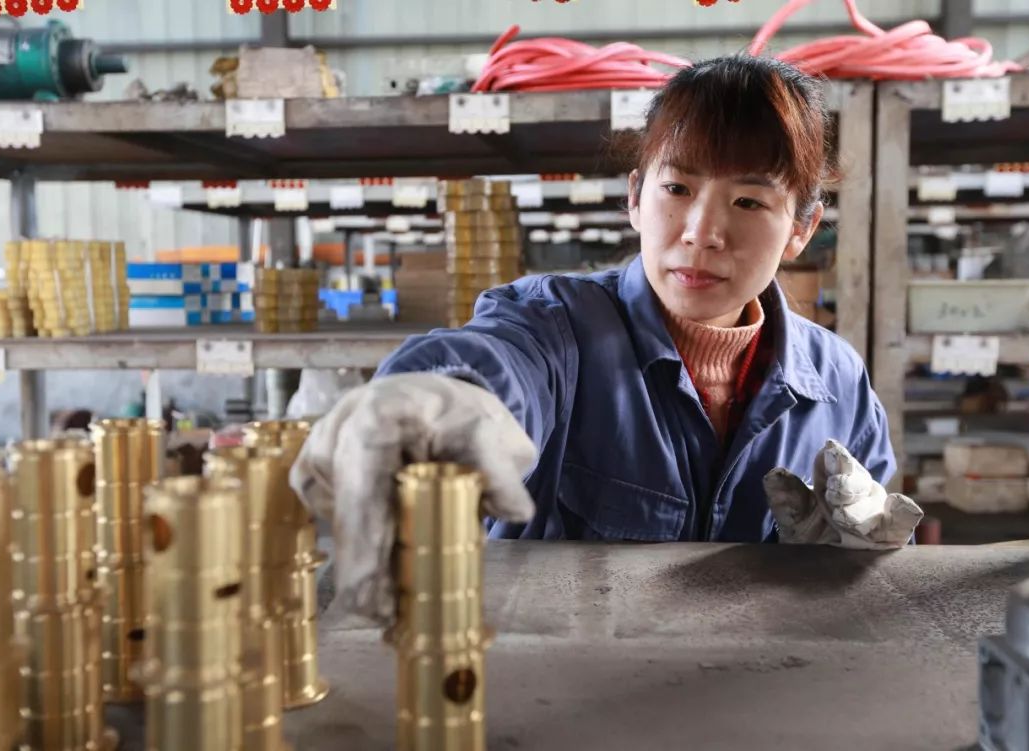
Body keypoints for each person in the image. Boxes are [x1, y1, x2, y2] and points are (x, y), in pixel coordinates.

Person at [291, 54, 923, 623]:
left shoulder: (837, 383)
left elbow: (875, 575)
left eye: (750, 202)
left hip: (748, 702)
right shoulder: (556, 328)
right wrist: (439, 399)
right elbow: (495, 361)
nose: (702, 232)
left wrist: (859, 562)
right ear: (635, 198)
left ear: (802, 229)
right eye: (677, 188)